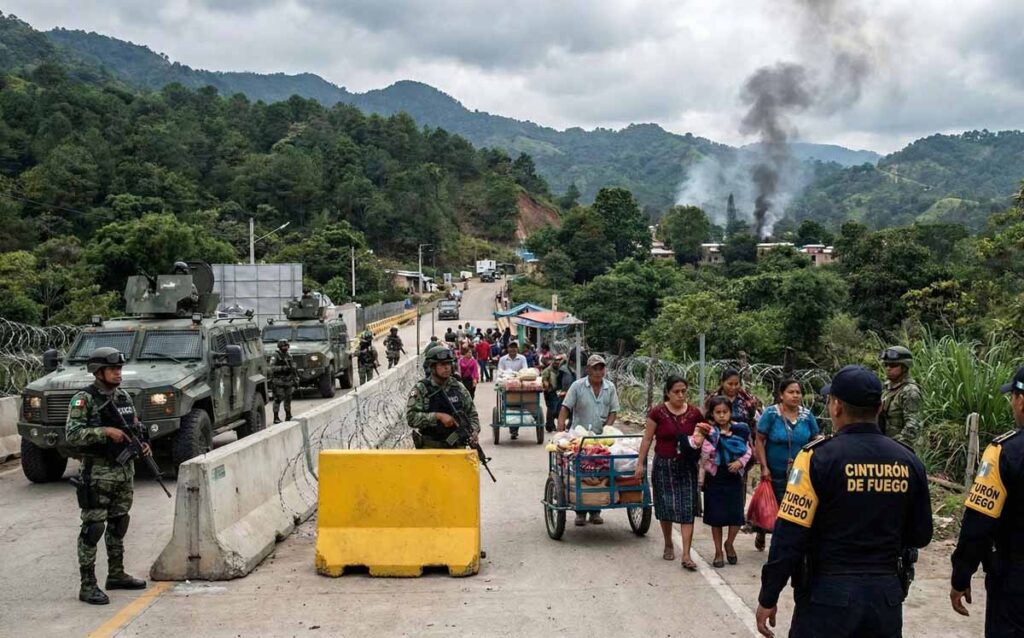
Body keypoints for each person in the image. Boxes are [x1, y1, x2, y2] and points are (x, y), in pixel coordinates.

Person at [755, 365, 933, 638]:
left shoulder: (816, 458)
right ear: (880, 406)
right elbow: (921, 534)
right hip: (885, 597)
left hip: (826, 596)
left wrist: (769, 595)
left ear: (836, 407)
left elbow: (790, 535)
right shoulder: (908, 460)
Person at [66, 347, 149, 605]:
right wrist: (104, 432)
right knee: (94, 528)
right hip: (97, 473)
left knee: (119, 523)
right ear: (98, 372)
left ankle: (116, 574)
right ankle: (87, 585)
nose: (118, 373)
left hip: (123, 471)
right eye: (113, 369)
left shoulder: (123, 397)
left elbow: (134, 426)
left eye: (120, 369)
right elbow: (72, 434)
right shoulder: (84, 399)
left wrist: (142, 443)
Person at [949, 365, 1024, 635]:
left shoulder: (1004, 452)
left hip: (1015, 581)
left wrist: (961, 575)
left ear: (1021, 400)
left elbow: (978, 523)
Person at [634, 375, 704, 568]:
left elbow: (704, 436)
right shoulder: (658, 413)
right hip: (663, 465)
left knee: (687, 508)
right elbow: (647, 439)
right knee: (665, 506)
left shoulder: (695, 414)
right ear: (667, 392)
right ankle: (668, 543)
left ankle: (686, 554)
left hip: (687, 467)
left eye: (684, 391)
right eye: (676, 392)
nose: (681, 396)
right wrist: (640, 463)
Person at [753, 379, 820, 551]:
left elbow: (814, 439)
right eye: (791, 392)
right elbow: (759, 440)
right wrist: (764, 467)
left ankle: (782, 545)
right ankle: (761, 529)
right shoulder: (771, 414)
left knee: (789, 508)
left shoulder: (807, 416)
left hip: (798, 472)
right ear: (782, 395)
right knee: (770, 505)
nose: (795, 395)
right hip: (774, 471)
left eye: (798, 392)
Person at [559, 354, 620, 527]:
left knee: (600, 472)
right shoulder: (577, 386)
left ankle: (595, 510)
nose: (598, 371)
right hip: (579, 437)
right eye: (595, 368)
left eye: (601, 368)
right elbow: (565, 407)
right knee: (581, 473)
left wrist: (607, 430)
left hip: (600, 438)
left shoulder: (610, 387)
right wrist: (561, 428)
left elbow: (614, 411)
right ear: (588, 369)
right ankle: (580, 511)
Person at [693, 396, 752, 568]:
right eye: (717, 412)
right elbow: (704, 454)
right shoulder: (708, 432)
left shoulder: (740, 431)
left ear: (730, 413)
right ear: (712, 414)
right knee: (716, 518)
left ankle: (729, 543)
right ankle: (718, 551)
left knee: (736, 517)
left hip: (734, 478)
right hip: (715, 478)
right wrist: (710, 439)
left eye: (725, 412)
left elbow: (747, 450)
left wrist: (740, 462)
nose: (721, 416)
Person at [406, 347, 480, 449]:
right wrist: (437, 416)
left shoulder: (458, 387)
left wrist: (474, 430)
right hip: (431, 449)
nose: (447, 368)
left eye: (449, 364)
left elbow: (472, 413)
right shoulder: (422, 388)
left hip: (457, 449)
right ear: (432, 367)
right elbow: (411, 418)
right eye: (442, 364)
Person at [879, 346, 923, 446]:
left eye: (893, 365)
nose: (888, 368)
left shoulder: (910, 391)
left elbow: (913, 427)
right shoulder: (886, 388)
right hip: (884, 444)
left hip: (900, 448)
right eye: (886, 365)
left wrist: (895, 446)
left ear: (904, 367)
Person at [498, 341, 529, 439]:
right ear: (508, 349)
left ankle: (514, 429)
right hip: (507, 387)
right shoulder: (503, 359)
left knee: (519, 406)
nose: (513, 349)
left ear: (517, 349)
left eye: (515, 347)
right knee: (509, 406)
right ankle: (513, 429)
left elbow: (525, 370)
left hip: (519, 387)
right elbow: (500, 372)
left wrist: (517, 376)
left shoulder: (522, 358)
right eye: (511, 347)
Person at [542, 354, 575, 433]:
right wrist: (547, 386)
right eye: (556, 361)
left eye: (559, 361)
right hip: (551, 392)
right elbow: (545, 381)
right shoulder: (547, 370)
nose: (557, 363)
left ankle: (560, 425)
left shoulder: (564, 370)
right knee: (552, 409)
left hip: (560, 392)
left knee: (560, 408)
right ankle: (550, 425)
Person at [271, 339, 298, 423]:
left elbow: (293, 370)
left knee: (288, 398)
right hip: (278, 381)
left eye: (286, 346)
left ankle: (288, 415)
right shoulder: (276, 355)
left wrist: (295, 379)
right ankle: (276, 417)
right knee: (278, 399)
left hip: (288, 380)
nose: (285, 348)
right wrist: (282, 368)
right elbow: (271, 368)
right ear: (279, 347)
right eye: (283, 346)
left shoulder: (289, 356)